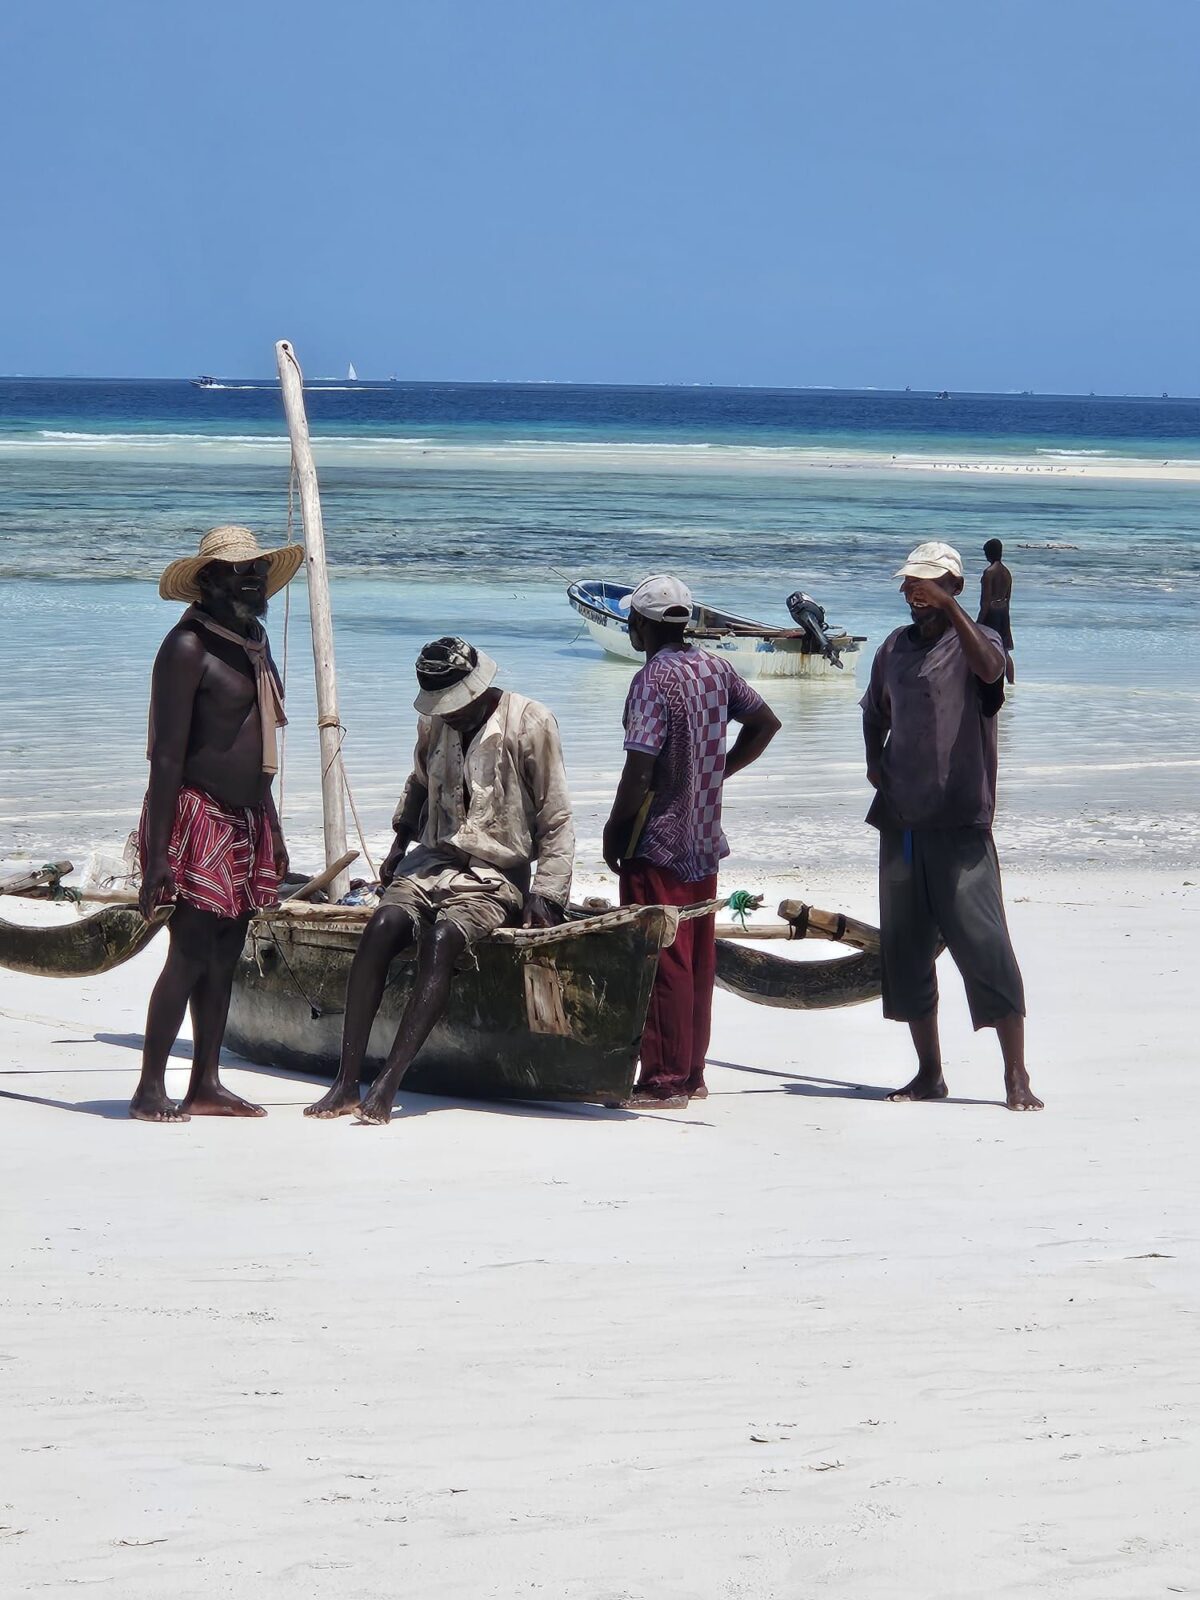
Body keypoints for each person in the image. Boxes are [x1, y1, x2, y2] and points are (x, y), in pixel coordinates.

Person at [306, 636, 575, 1125]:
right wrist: (397, 845)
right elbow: (418, 787)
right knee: (382, 927)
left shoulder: (530, 723)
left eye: (454, 706)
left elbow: (556, 818)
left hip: (495, 875)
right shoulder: (434, 722)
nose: (448, 715)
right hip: (430, 860)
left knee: (443, 939)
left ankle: (388, 1082)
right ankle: (346, 1081)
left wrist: (547, 894)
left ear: (477, 689)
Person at [860, 541, 1041, 1112]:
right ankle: (929, 1073)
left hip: (961, 824)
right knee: (907, 954)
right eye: (910, 584)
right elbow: (872, 710)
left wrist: (953, 609)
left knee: (985, 947)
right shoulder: (893, 647)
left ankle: (1016, 1075)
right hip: (902, 823)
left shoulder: (978, 642)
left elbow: (992, 674)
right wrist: (873, 761)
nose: (914, 592)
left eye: (927, 584)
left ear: (954, 587)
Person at [132, 526, 303, 1121]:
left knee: (228, 951)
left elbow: (257, 746)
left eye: (255, 568)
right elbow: (166, 755)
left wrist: (272, 828)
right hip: (195, 813)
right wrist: (157, 858)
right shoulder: (188, 648)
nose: (251, 578)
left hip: (247, 815)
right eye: (235, 571)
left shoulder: (251, 640)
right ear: (207, 581)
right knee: (190, 950)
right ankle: (151, 1087)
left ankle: (205, 1081)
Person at [603, 575, 780, 1108]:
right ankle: (693, 1072)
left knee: (660, 958)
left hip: (657, 839)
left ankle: (664, 1080)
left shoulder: (652, 679)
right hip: (702, 838)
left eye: (633, 621)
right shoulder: (715, 667)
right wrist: (714, 772)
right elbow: (764, 723)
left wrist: (614, 827)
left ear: (643, 626)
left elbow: (640, 767)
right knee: (697, 958)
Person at [978, 537, 1016, 683]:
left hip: (991, 614)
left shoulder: (989, 573)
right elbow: (1008, 598)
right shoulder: (1007, 572)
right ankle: (1011, 683)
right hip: (1004, 612)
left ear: (989, 553)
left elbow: (985, 601)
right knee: (1005, 650)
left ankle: (988, 680)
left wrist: (979, 623)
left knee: (985, 648)